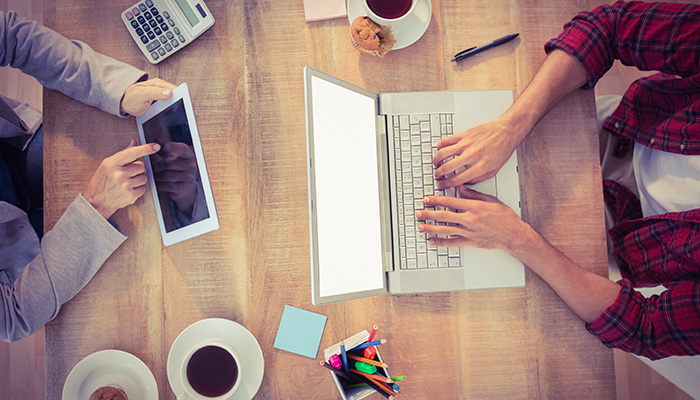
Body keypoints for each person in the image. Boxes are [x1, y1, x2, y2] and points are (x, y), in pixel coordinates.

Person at [417, 1, 700, 360]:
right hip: (614, 128)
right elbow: (610, 27)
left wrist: (516, 238)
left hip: (623, 234)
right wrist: (510, 126)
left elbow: (645, 328)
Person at [0, 10, 177, 342]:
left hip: (18, 146)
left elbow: (11, 37)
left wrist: (116, 89)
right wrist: (96, 207)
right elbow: (11, 317)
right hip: (29, 269)